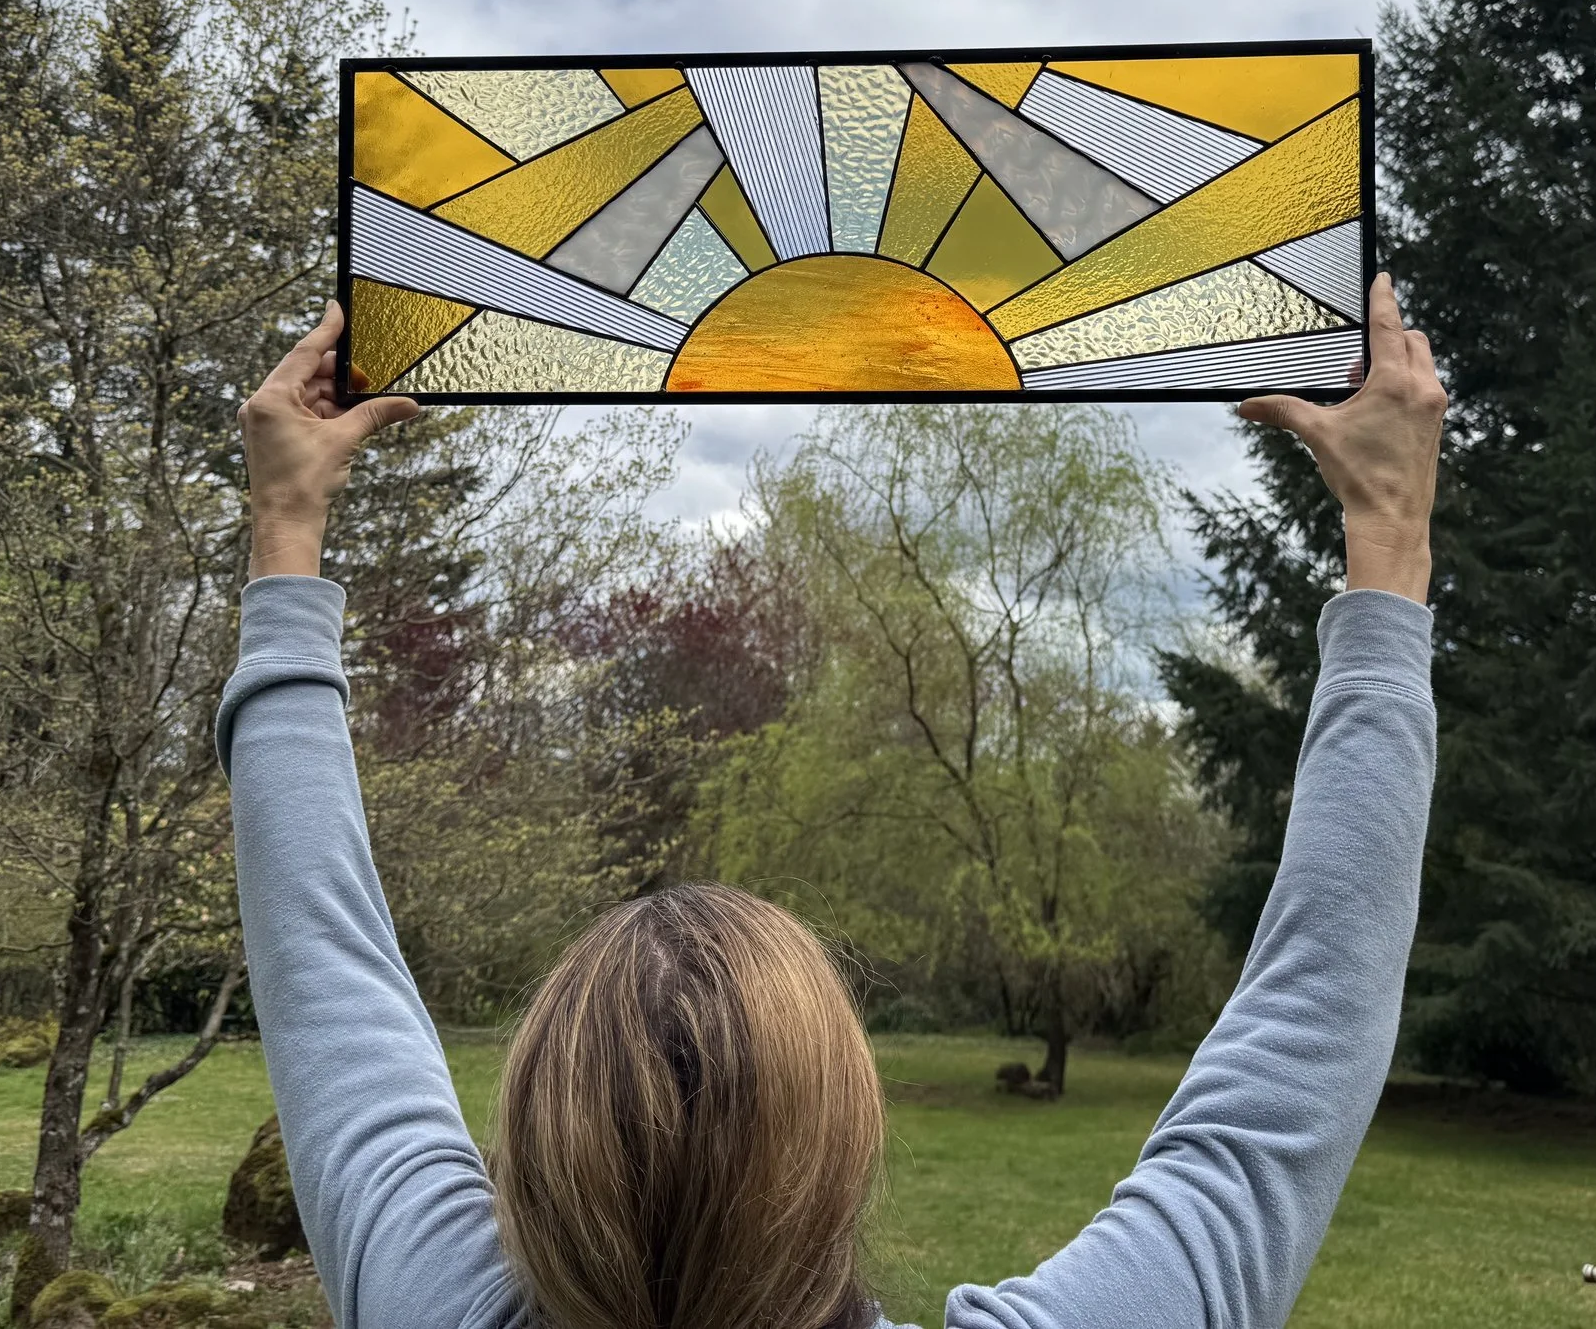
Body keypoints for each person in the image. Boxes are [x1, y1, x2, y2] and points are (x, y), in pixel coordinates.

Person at [222, 276, 1447, 1329]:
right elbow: (1301, 1035)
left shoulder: (427, 1302)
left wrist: (285, 524)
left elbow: (325, 970)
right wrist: (1388, 532)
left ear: (536, 1151)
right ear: (843, 1144)